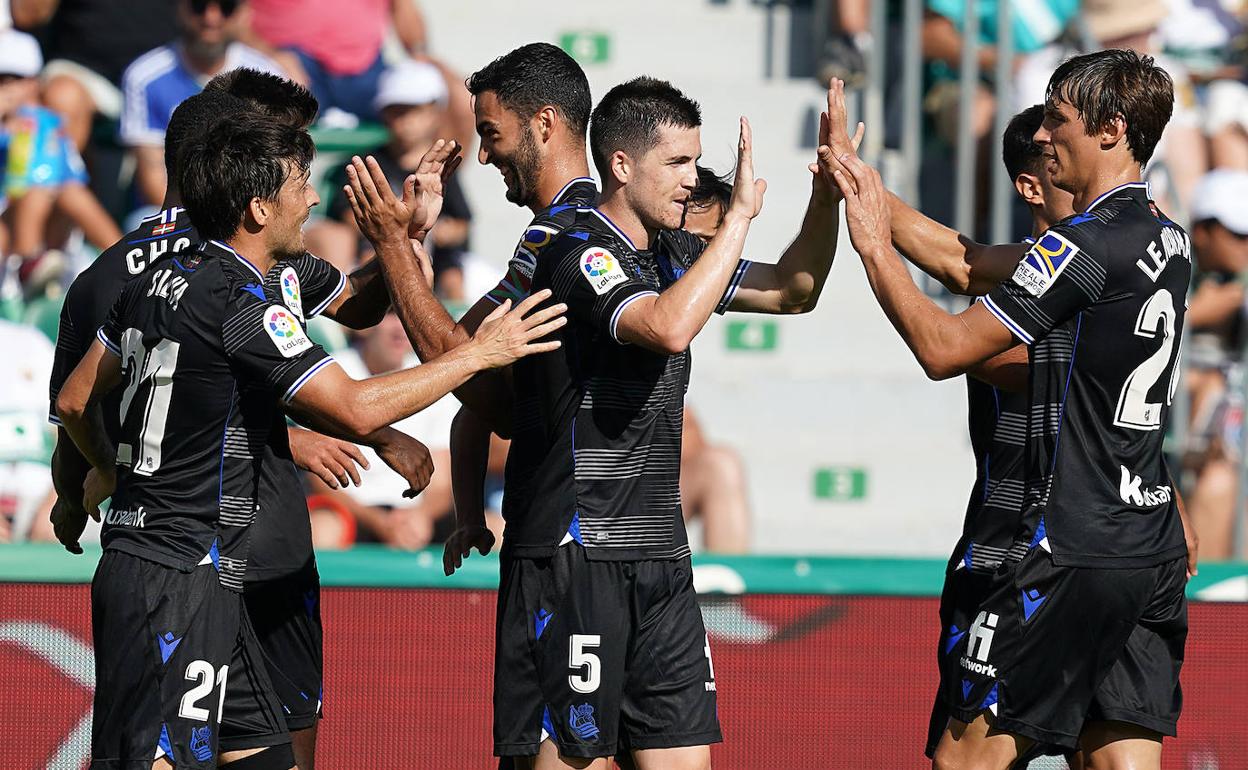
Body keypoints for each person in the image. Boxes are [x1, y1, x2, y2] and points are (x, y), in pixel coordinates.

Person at [56, 111, 563, 768]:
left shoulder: (154, 280)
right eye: (301, 181)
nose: (315, 196)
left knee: (268, 755)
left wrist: (115, 471)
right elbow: (350, 408)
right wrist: (477, 354)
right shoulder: (240, 304)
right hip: (177, 574)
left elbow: (74, 399)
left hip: (192, 569)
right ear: (260, 207)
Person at [826, 48, 1194, 769]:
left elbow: (943, 348)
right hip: (1148, 548)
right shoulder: (1166, 238)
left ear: (1112, 129)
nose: (1046, 135)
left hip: (1067, 547)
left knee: (967, 758)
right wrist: (856, 177)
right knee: (1123, 759)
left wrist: (873, 251)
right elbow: (966, 261)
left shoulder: (1083, 244)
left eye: (1059, 120)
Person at [317, 58, 473, 300]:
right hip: (374, 249)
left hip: (437, 258)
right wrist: (393, 230)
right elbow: (346, 215)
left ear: (434, 112)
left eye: (413, 111)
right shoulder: (365, 162)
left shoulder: (439, 170)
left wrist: (443, 232)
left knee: (454, 280)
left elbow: (462, 223)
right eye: (396, 111)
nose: (405, 120)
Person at [120, 0, 280, 206]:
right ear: (180, 9)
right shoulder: (144, 77)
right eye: (199, 6)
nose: (211, 18)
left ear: (243, 14)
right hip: (170, 214)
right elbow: (154, 179)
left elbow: (274, 169)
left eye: (226, 7)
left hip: (249, 213)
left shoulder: (268, 77)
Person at [0, 27, 121, 294]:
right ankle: (26, 268)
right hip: (8, 220)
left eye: (14, 79)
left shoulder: (47, 125)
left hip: (53, 220)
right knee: (36, 193)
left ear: (33, 83)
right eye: (0, 80)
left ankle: (126, 259)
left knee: (67, 192)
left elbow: (70, 173)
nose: (6, 89)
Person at [1181, 170, 1248, 559]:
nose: (1246, 245)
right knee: (1218, 485)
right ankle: (1206, 604)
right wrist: (1200, 312)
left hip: (1225, 449)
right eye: (1238, 235)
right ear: (1202, 231)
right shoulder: (1167, 270)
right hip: (1172, 449)